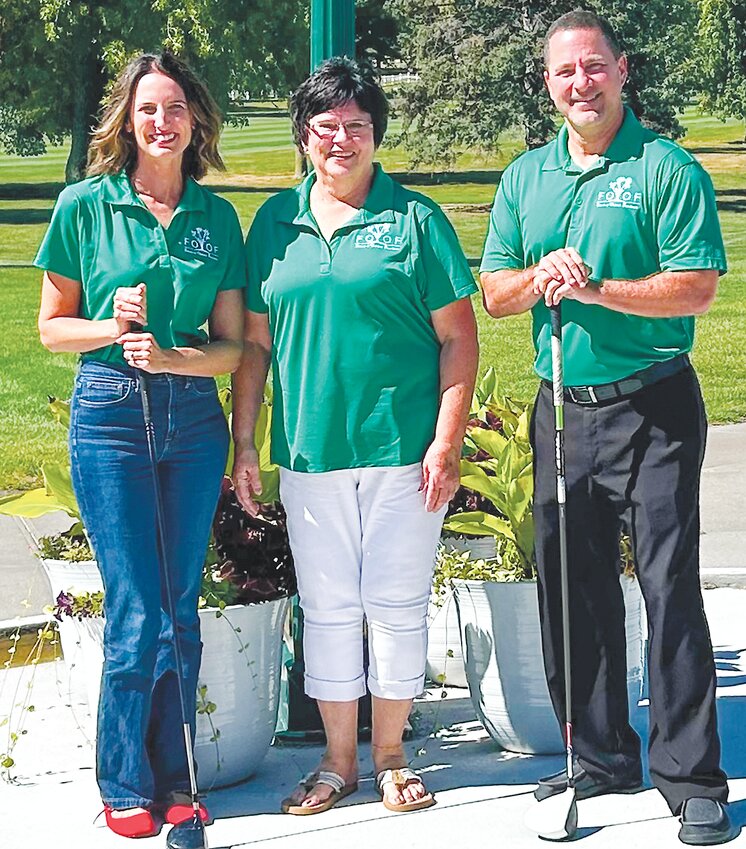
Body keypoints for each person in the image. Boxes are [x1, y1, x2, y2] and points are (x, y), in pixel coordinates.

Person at [480, 10, 735, 846]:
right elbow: (494, 292)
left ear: (621, 71)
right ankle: (598, 755)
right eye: (564, 73)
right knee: (573, 586)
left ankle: (690, 775)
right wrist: (539, 278)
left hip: (655, 404)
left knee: (668, 587)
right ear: (548, 85)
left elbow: (696, 286)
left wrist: (595, 290)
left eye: (594, 67)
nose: (580, 83)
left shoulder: (665, 169)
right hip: (565, 408)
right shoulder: (525, 178)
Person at [232, 57, 479, 816]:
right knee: (331, 604)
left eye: (358, 127)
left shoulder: (416, 219)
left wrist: (446, 440)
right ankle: (339, 763)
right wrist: (245, 443)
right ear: (304, 137)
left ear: (377, 136)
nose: (342, 140)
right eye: (327, 127)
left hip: (405, 451)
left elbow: (460, 340)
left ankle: (393, 755)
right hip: (309, 451)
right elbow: (253, 347)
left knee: (397, 603)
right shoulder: (274, 223)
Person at [35, 51, 245, 838]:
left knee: (178, 608)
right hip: (110, 414)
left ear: (196, 120)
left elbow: (231, 348)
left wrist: (173, 357)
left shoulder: (216, 219)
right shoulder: (85, 206)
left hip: (193, 417)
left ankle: (177, 778)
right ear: (126, 120)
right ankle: (124, 778)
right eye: (148, 109)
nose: (162, 121)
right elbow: (51, 328)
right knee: (135, 609)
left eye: (176, 108)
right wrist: (112, 326)